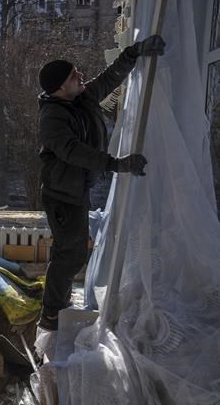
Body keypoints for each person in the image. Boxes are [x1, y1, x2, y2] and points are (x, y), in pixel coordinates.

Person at [37, 35, 165, 331]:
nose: (80, 75)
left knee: (69, 252)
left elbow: (108, 80)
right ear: (59, 88)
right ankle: (52, 314)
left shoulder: (80, 97)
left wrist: (133, 53)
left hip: (75, 190)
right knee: (71, 254)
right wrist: (116, 164)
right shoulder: (52, 117)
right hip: (62, 196)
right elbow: (72, 151)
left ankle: (56, 308)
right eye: (73, 75)